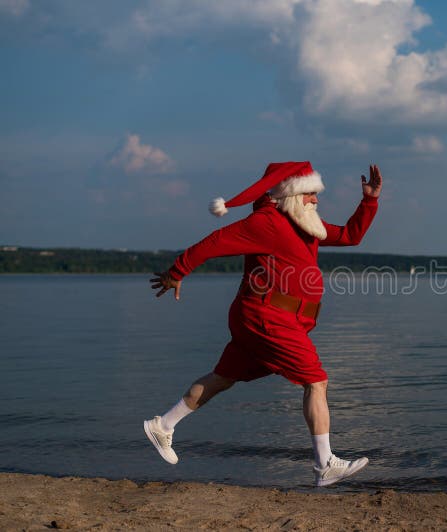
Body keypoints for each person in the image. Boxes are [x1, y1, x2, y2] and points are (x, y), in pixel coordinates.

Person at [145, 161, 382, 487]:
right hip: (266, 317)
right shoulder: (265, 222)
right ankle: (324, 463)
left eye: (316, 194)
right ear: (291, 194)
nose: (316, 200)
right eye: (310, 193)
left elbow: (351, 235)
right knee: (317, 381)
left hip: (276, 320)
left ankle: (163, 426)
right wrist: (177, 272)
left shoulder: (305, 225)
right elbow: (215, 242)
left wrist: (369, 200)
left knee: (223, 378)